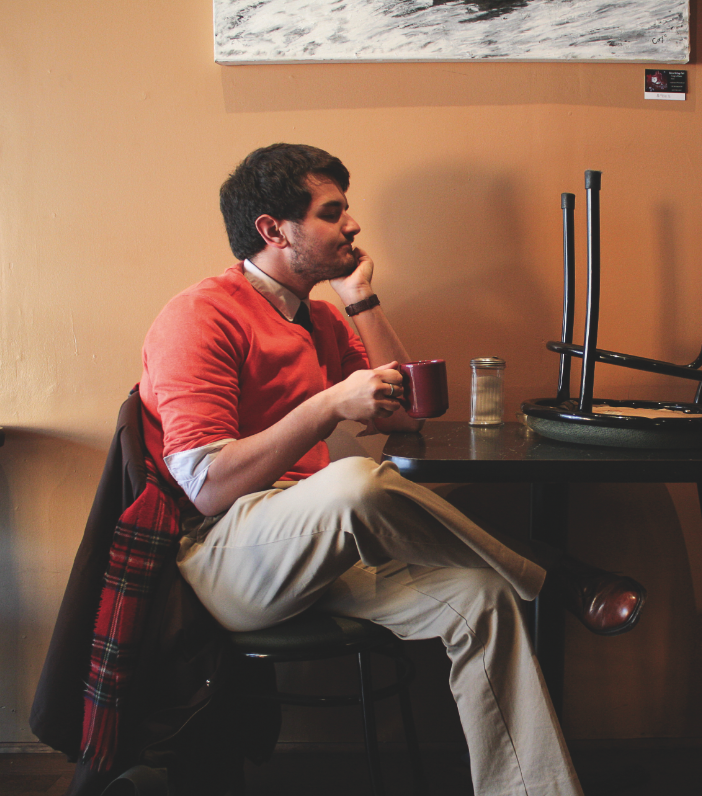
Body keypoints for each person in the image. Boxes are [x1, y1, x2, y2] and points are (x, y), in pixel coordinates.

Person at [137, 143, 646, 796]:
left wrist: (361, 301)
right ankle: (554, 575)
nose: (352, 225)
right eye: (331, 213)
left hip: (318, 551)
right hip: (223, 558)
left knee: (482, 598)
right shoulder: (199, 314)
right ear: (273, 230)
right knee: (355, 481)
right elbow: (205, 488)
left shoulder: (320, 320)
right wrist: (327, 406)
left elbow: (407, 418)